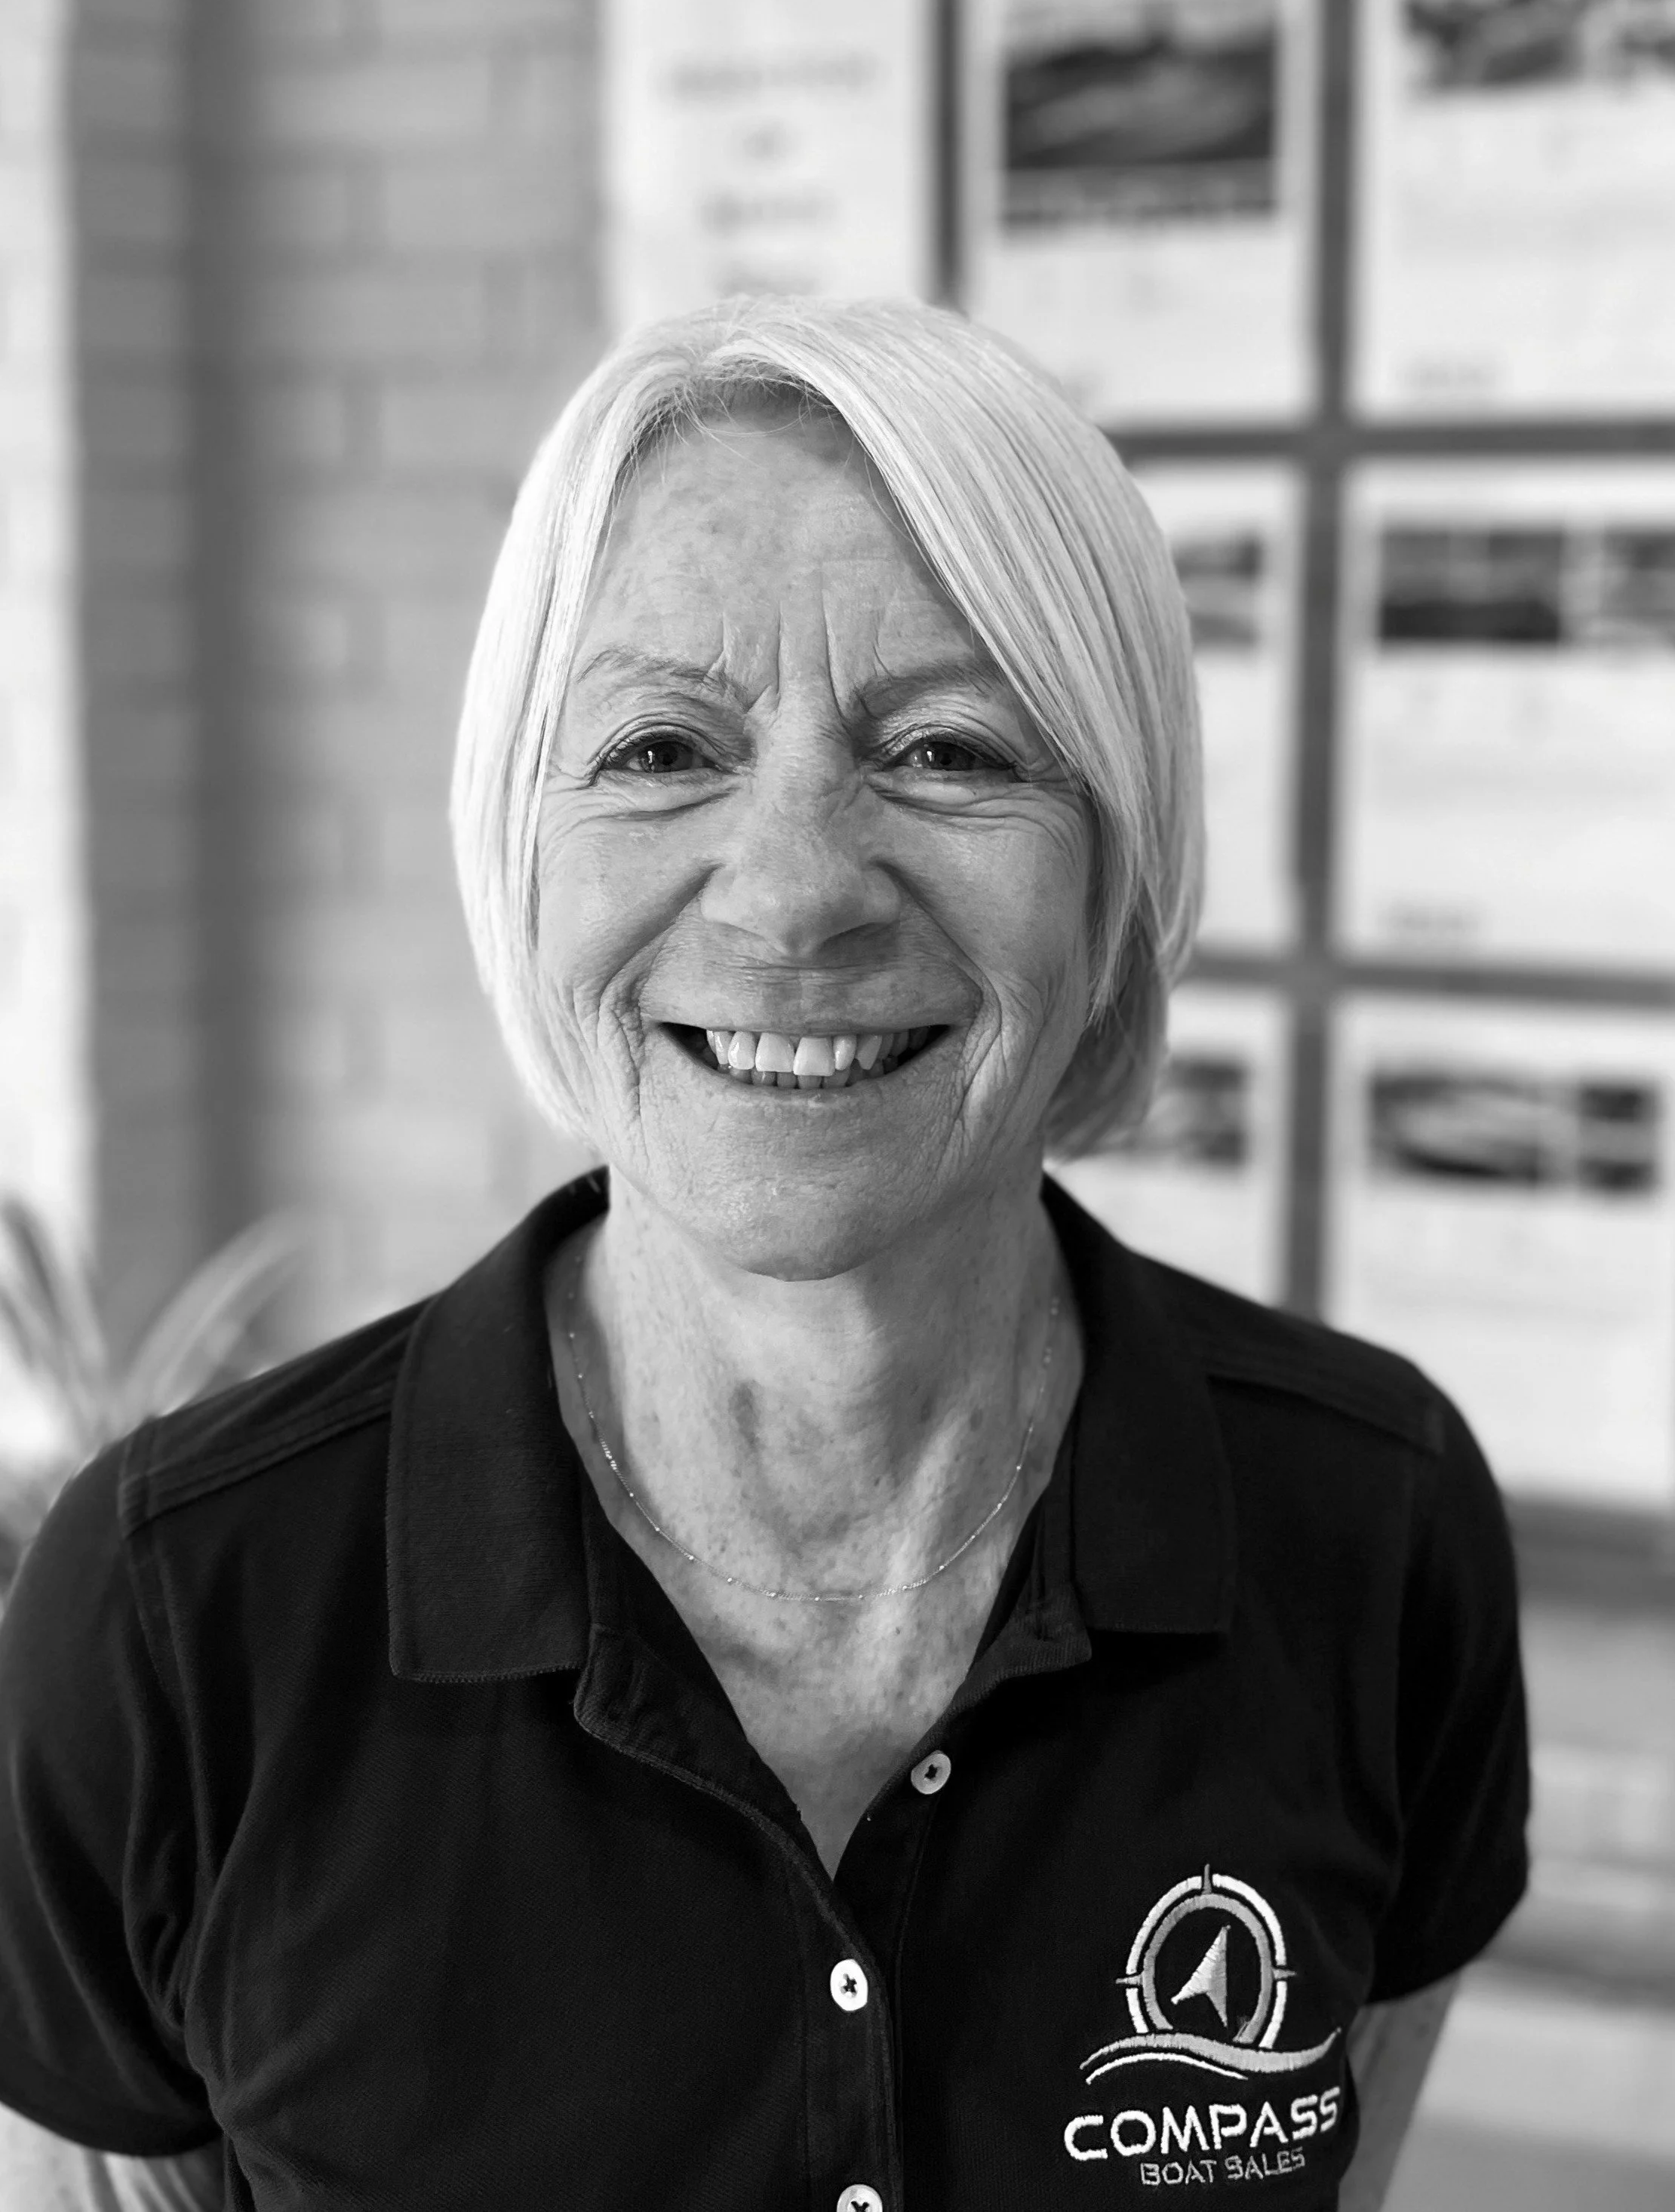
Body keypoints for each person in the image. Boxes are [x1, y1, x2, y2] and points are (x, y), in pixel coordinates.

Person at [0, 297, 1528, 2210]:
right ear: (519, 852)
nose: (796, 888)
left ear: (1116, 872)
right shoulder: (174, 1620)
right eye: (658, 747)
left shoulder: (1375, 1530)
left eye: (952, 748)